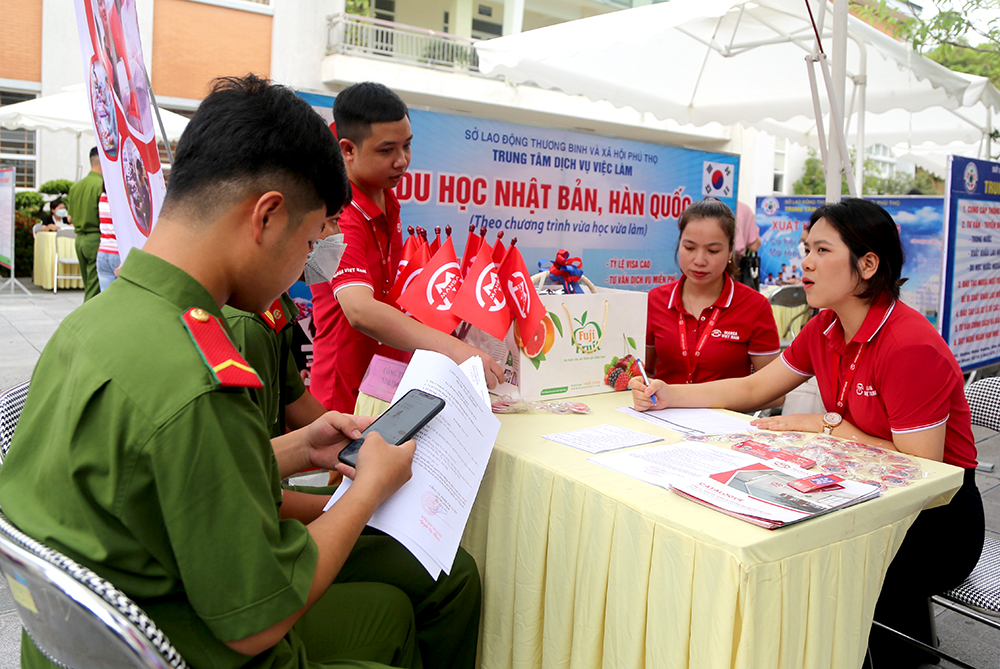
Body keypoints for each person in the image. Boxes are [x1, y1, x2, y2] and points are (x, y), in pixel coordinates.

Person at [0, 74, 481, 669]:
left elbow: (159, 478)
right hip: (200, 646)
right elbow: (262, 619)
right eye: (309, 244)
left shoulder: (95, 324)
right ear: (267, 218)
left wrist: (300, 447)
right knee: (399, 611)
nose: (307, 267)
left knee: (387, 608)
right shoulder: (199, 376)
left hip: (89, 643)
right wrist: (370, 491)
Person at [631, 198, 984, 669]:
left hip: (935, 524)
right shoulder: (824, 328)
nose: (806, 262)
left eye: (821, 250)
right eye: (805, 248)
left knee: (802, 561)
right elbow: (756, 387)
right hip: (866, 494)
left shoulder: (909, 345)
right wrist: (669, 394)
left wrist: (827, 425)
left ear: (868, 264)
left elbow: (921, 467)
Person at [310, 81, 502, 413]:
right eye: (387, 150)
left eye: (407, 146)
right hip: (344, 392)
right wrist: (453, 350)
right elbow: (359, 310)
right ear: (347, 149)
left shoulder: (387, 199)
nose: (401, 161)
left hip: (388, 382)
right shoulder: (339, 214)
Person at [644, 197, 780, 389]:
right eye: (689, 248)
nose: (699, 260)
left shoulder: (754, 306)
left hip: (724, 416)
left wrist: (698, 399)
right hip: (661, 415)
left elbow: (773, 390)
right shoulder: (655, 299)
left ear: (731, 250)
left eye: (713, 250)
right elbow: (645, 371)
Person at [66, 146, 104, 301]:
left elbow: (69, 217)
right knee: (94, 290)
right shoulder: (102, 185)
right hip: (96, 239)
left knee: (89, 284)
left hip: (79, 240)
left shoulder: (76, 186)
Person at [95, 189, 120, 291]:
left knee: (105, 295)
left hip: (103, 251)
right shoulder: (121, 199)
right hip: (118, 252)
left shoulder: (103, 197)